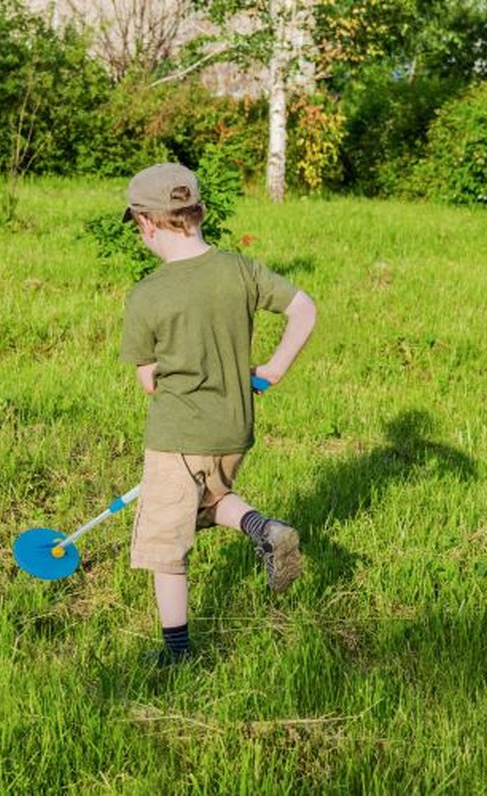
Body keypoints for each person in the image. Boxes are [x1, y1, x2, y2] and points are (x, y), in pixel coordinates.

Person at [118, 162, 317, 664]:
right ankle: (264, 530)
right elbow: (304, 308)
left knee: (167, 545)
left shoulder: (147, 294)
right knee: (209, 499)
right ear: (199, 211)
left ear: (146, 223)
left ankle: (177, 652)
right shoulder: (240, 270)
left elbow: (148, 379)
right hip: (234, 427)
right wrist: (273, 368)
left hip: (177, 433)